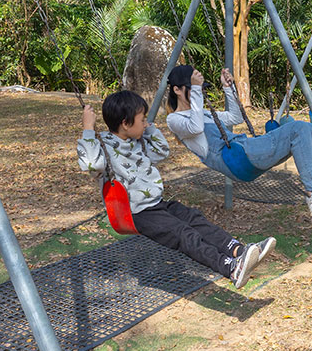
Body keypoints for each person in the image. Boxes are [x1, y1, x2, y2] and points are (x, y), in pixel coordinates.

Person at [78, 89, 276, 289]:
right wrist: (88, 128)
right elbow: (91, 165)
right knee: (182, 233)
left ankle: (238, 251)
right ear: (125, 123)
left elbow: (162, 151)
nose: (146, 123)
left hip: (157, 204)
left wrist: (149, 129)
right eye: (142, 120)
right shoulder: (101, 145)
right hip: (136, 213)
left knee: (194, 218)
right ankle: (230, 268)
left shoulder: (136, 140)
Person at [164, 64, 312, 217]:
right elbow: (196, 127)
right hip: (236, 159)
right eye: (195, 89)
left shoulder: (202, 112)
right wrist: (196, 89)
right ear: (177, 90)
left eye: (202, 90)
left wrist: (229, 89)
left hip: (244, 151)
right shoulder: (174, 120)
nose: (201, 94)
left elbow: (235, 117)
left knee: (305, 128)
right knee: (299, 129)